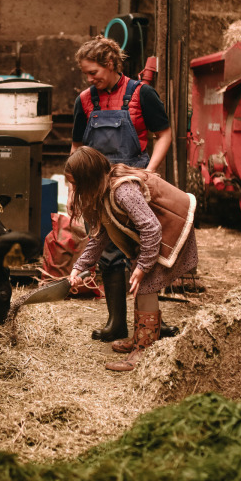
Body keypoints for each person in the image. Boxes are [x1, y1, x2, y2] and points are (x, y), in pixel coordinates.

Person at [70, 35, 174, 343]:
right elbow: (77, 146)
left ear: (112, 64)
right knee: (107, 253)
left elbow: (164, 134)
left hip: (133, 187)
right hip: (97, 190)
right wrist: (73, 189)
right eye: (86, 74)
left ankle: (152, 322)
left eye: (94, 73)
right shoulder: (85, 100)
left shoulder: (143, 94)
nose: (90, 80)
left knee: (143, 251)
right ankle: (116, 323)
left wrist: (148, 172)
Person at [65, 147, 198, 371]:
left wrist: (144, 265)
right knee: (140, 285)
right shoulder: (103, 192)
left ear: (88, 180)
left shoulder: (122, 192)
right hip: (154, 236)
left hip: (171, 231)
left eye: (76, 183)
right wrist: (79, 267)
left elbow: (152, 228)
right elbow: (99, 237)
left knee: (145, 284)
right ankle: (140, 339)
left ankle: (144, 351)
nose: (74, 189)